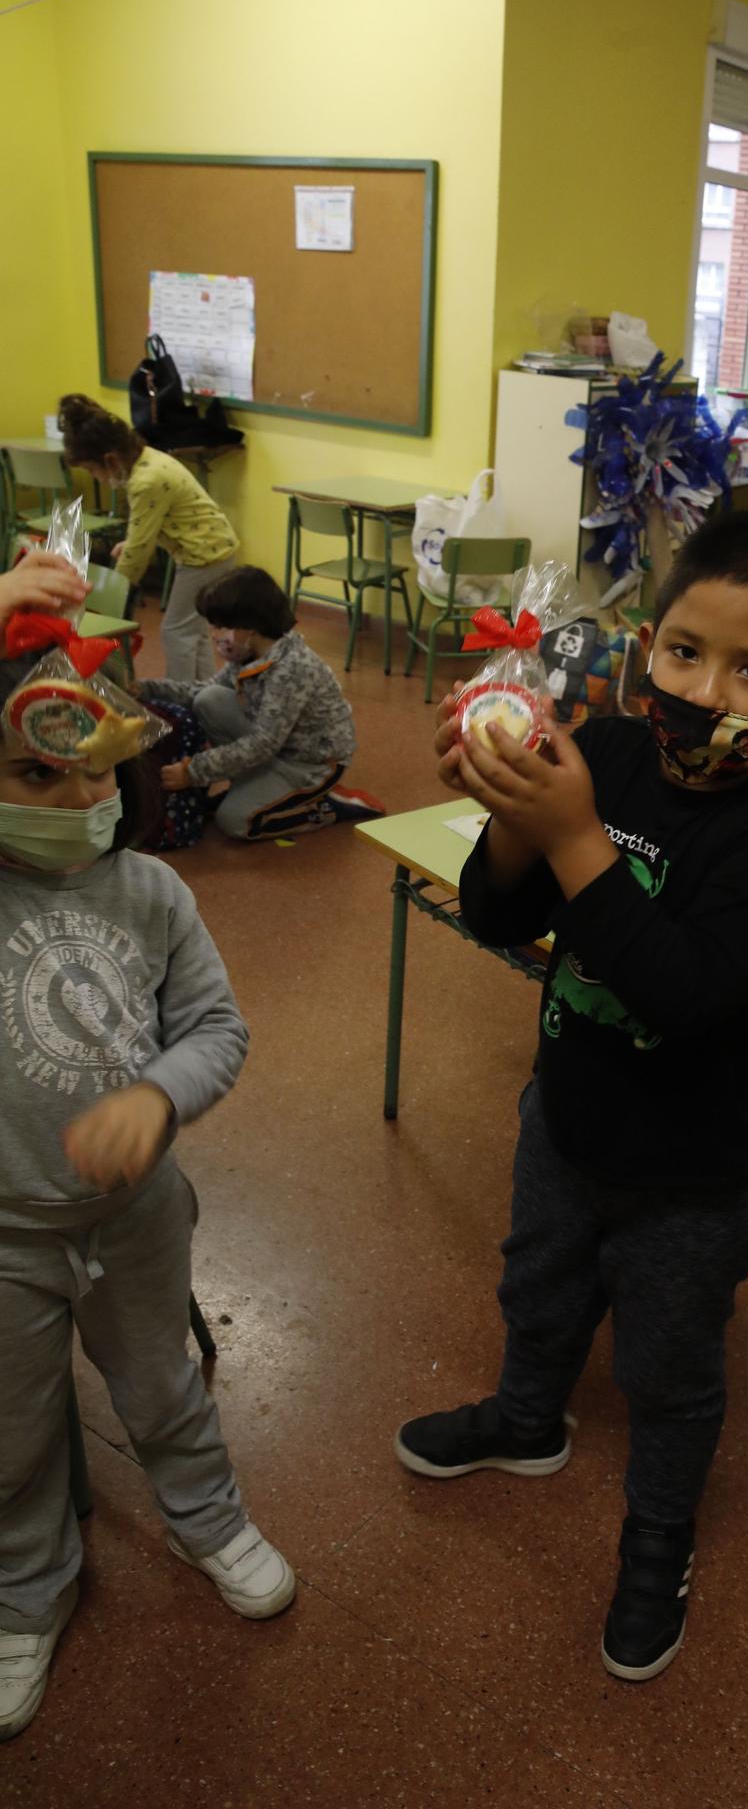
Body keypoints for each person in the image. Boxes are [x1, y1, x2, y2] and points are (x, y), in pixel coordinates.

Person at [395, 513, 748, 1684]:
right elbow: (502, 920)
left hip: (697, 1164)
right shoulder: (608, 747)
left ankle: (658, 1534)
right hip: (568, 1111)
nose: (707, 690)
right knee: (535, 1281)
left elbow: (685, 991)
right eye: (686, 652)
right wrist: (511, 820)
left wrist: (573, 831)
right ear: (647, 642)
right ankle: (527, 1414)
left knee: (669, 1366)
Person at [0, 564, 294, 1743]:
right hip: (9, 1227)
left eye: (92, 767)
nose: (71, 793)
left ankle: (206, 1514)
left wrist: (161, 1098)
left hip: (136, 1216)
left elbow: (218, 1028)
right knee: (12, 1425)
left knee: (164, 1384)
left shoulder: (155, 892)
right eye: (32, 770)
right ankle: (28, 1587)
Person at [135, 565, 365, 841]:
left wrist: (194, 771)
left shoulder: (291, 668)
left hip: (311, 765)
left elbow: (263, 743)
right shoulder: (253, 653)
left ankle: (323, 807)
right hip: (277, 750)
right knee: (209, 699)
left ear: (251, 627)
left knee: (234, 822)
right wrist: (145, 688)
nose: (214, 633)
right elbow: (202, 691)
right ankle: (256, 789)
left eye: (221, 626)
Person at [58, 395, 239, 684]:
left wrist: (113, 595)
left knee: (176, 631)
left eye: (93, 471)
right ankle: (202, 690)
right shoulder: (148, 459)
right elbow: (146, 528)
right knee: (193, 631)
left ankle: (180, 696)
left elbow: (140, 548)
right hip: (213, 548)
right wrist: (131, 545)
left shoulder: (145, 481)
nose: (98, 478)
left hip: (203, 556)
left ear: (111, 460)